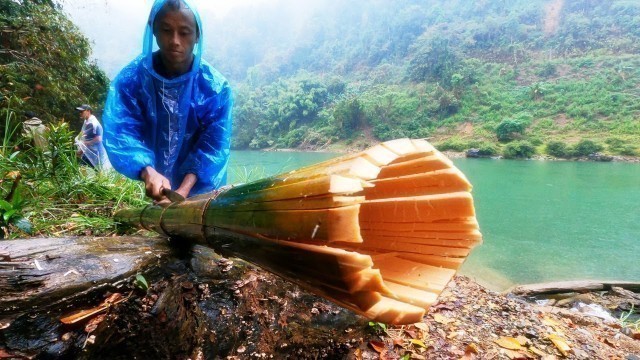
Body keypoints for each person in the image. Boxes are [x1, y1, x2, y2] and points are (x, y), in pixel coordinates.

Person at [103, 0, 233, 202]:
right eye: (166, 30)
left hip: (203, 190)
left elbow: (212, 147)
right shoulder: (132, 80)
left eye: (184, 32)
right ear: (154, 30)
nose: (175, 41)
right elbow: (122, 132)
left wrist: (183, 191)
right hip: (156, 185)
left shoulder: (215, 88)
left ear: (197, 36)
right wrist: (148, 172)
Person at [75, 104, 111, 170]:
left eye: (82, 112)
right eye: (79, 112)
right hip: (89, 151)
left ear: (88, 111)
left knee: (85, 169)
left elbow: (98, 138)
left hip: (94, 152)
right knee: (91, 170)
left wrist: (84, 144)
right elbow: (84, 134)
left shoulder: (92, 123)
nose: (80, 113)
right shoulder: (87, 121)